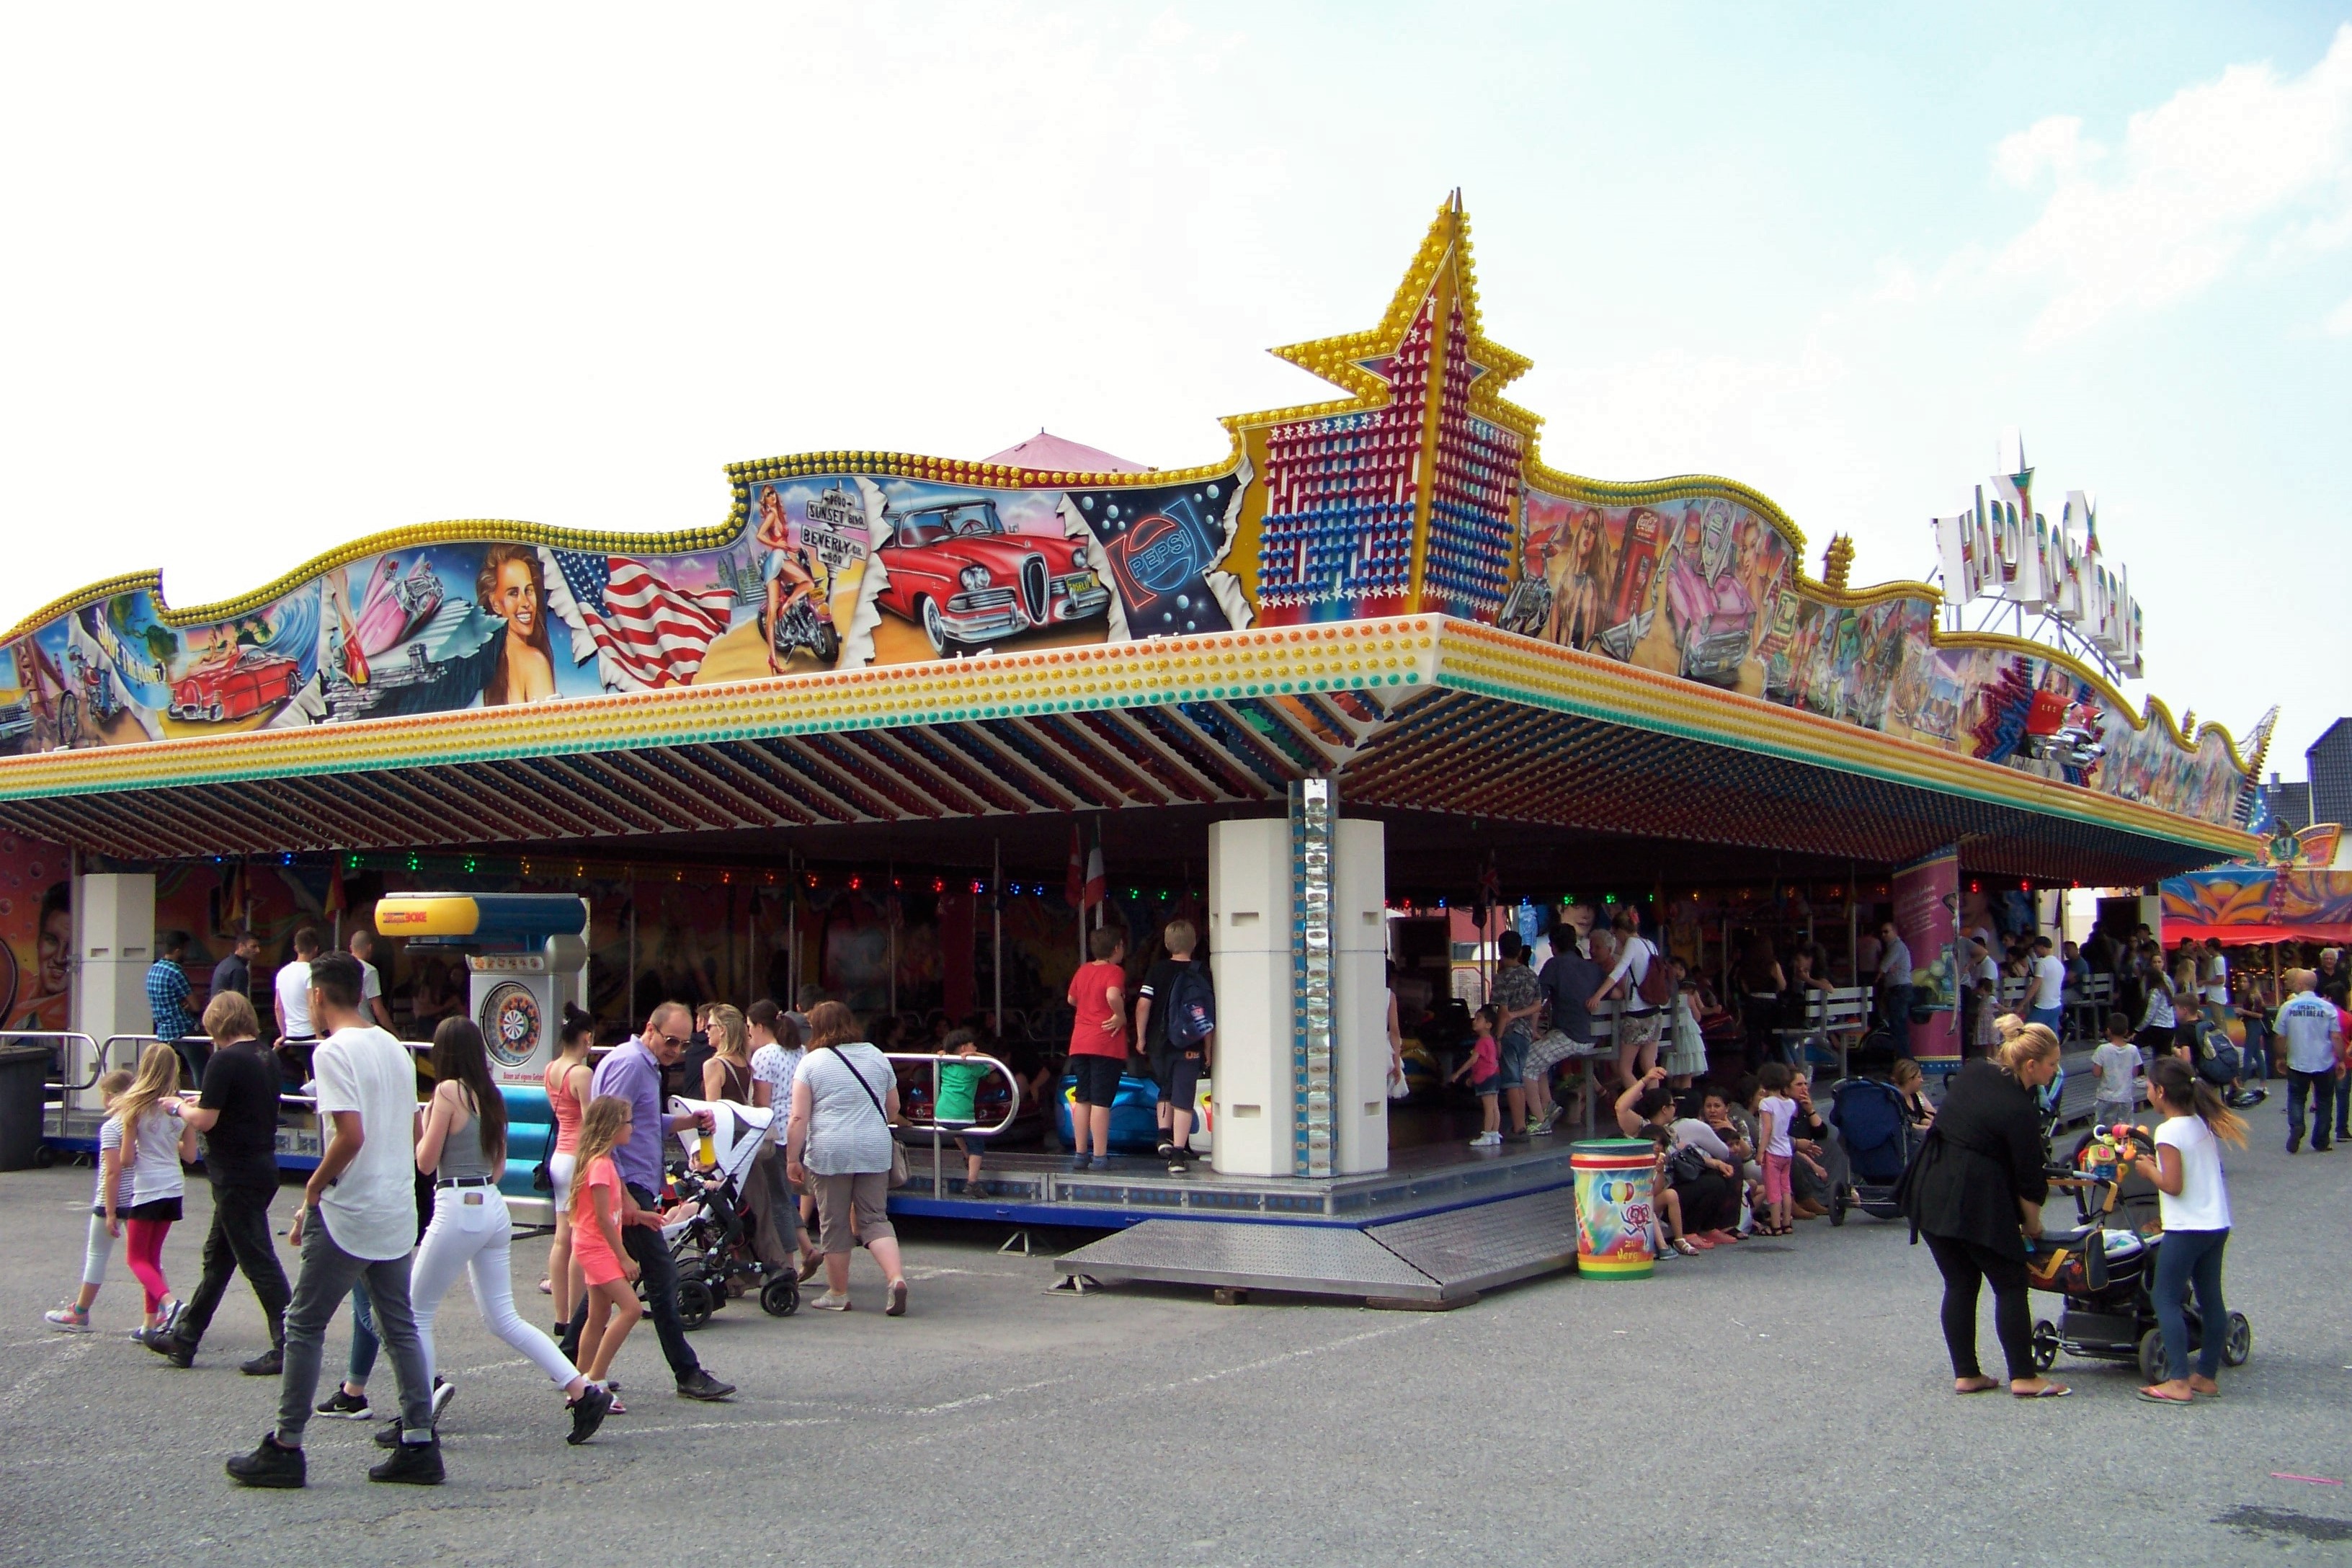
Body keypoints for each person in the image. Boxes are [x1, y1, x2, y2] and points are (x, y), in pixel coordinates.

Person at [228, 953, 444, 1488]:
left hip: (349, 1208)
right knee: (399, 1325)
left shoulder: (331, 1052)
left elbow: (349, 1136)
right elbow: (415, 1132)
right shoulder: (393, 1047)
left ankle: (287, 1445)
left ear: (318, 995)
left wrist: (315, 1186)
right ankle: (419, 1441)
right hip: (394, 1206)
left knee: (304, 1323)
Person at [406, 1018, 610, 1446]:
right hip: (492, 1205)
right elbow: (498, 1168)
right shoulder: (491, 1095)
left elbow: (425, 1162)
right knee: (504, 1318)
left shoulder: (446, 1093)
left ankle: (419, 1407)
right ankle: (580, 1389)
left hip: (456, 1202)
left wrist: (421, 1122)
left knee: (415, 1311)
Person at [554, 1003, 734, 1402]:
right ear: (650, 1029)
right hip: (627, 1186)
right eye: (671, 1041)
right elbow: (606, 1129)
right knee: (661, 1277)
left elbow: (644, 1124)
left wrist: (688, 1122)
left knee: (607, 1286)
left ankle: (570, 1361)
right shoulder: (632, 1064)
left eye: (684, 1044)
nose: (676, 1050)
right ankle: (687, 1372)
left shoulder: (644, 1063)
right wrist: (625, 1200)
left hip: (632, 1184)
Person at [1893, 1021, 2069, 1399]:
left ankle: (1967, 1373)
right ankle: (2024, 1376)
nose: (2055, 1070)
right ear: (2031, 1066)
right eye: (2052, 1064)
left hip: (1929, 1184)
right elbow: (2029, 1181)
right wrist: (2033, 1226)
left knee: (1959, 1282)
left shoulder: (1975, 1072)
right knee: (2010, 1282)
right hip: (1974, 1195)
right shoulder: (2020, 1110)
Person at [147, 992, 292, 1373]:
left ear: (217, 1023)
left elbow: (206, 1120)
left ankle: (289, 1342)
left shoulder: (224, 1060)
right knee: (219, 1257)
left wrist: (178, 1106)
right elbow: (240, 1105)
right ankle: (185, 1337)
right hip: (259, 1165)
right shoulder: (265, 1055)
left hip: (235, 1173)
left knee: (256, 1259)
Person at [2129, 1056, 2245, 1405]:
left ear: (2161, 1092)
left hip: (2187, 1227)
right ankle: (2206, 1375)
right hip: (2216, 1223)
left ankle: (2178, 1380)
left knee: (2164, 1297)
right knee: (2211, 1298)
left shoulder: (2168, 1131)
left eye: (2150, 1087)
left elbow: (2173, 1185)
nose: (2148, 1092)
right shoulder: (2200, 1122)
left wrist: (2148, 1171)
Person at [786, 1000, 912, 1316]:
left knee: (835, 1223)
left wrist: (791, 1158)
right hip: (874, 1148)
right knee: (875, 1219)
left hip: (830, 1152)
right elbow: (893, 1109)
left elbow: (799, 1117)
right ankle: (896, 1279)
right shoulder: (876, 1055)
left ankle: (838, 1293)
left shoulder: (811, 1063)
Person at [108, 1041, 199, 1347]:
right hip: (174, 1186)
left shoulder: (135, 1108)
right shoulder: (180, 1108)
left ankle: (170, 1304)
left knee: (136, 1258)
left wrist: (139, 1143)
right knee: (152, 1257)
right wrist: (169, 1143)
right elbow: (190, 1155)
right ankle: (149, 1324)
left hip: (148, 1187)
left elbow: (126, 1160)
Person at [43, 1069, 137, 1333]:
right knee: (145, 1257)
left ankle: (80, 1312)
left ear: (112, 1096)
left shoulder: (112, 1127)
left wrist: (110, 1211)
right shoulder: (140, 1124)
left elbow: (112, 1172)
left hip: (112, 1199)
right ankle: (162, 1308)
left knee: (97, 1255)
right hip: (138, 1197)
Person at [568, 1095, 644, 1396]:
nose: (632, 1128)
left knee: (598, 1315)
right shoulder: (600, 1166)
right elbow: (601, 1217)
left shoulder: (604, 1163)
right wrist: (623, 1257)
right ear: (612, 1126)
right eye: (628, 1122)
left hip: (594, 1245)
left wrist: (640, 1216)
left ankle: (580, 1379)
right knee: (632, 1309)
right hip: (596, 1247)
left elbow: (609, 1212)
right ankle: (596, 1378)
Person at [1136, 919, 1214, 1168]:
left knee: (1166, 1087)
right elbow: (1206, 1015)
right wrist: (1208, 1048)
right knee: (1184, 1095)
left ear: (1168, 944)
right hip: (1190, 1043)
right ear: (1194, 943)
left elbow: (1143, 1004)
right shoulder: (1202, 972)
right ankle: (1178, 1154)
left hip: (1160, 1043)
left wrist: (1141, 1037)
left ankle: (1163, 1136)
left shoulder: (1157, 970)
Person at [742, 999, 806, 1278]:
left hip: (775, 1133)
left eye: (749, 1027)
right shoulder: (799, 1050)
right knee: (784, 1195)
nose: (748, 1033)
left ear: (759, 1026)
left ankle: (787, 1262)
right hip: (799, 1131)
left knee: (776, 1200)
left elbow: (762, 1102)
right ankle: (807, 1248)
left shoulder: (764, 1056)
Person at [541, 1005, 594, 1333]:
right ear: (586, 1038)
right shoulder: (581, 1074)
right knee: (580, 1238)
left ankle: (561, 1316)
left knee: (562, 1238)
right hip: (578, 1158)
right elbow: (590, 1123)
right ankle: (577, 1316)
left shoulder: (551, 1070)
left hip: (559, 1157)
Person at [1064, 927, 1128, 1172]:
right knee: (1101, 1101)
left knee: (1083, 1097)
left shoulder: (1083, 970)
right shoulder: (1114, 971)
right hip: (1105, 1043)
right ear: (1116, 948)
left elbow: (1071, 999)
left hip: (1080, 1041)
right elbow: (1112, 995)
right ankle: (1100, 1156)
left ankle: (1080, 1154)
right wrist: (1119, 1015)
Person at [1590, 909, 1663, 1087]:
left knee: (1624, 1069)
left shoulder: (1632, 943)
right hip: (1655, 1012)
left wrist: (1598, 995)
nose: (1617, 939)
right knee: (1649, 1065)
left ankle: (1638, 1101)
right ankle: (1656, 1100)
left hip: (1637, 1015)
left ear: (1621, 931)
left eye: (1615, 934)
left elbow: (1618, 971)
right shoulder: (1650, 944)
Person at [2275, 969, 2343, 1154]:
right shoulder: (2327, 1007)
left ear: (2300, 985)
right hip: (2323, 1061)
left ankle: (2297, 1125)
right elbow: (2336, 1036)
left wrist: (2280, 1057)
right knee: (2325, 1101)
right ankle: (2321, 1140)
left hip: (2297, 1060)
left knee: (2296, 1097)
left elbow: (2280, 1036)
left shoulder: (2288, 1007)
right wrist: (2340, 1060)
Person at [1489, 931, 1541, 1139]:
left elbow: (1502, 1013)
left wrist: (1498, 1038)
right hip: (1526, 1033)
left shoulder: (1501, 978)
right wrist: (1528, 1025)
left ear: (1500, 951)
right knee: (1522, 1077)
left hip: (1509, 1034)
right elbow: (1537, 1006)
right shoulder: (1531, 975)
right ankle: (1525, 1122)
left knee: (1512, 1081)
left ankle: (1519, 1126)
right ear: (1520, 951)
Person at [935, 1027, 994, 1188]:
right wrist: (976, 1055)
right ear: (964, 1048)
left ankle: (966, 1156)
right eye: (973, 1045)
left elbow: (939, 1056)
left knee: (957, 1130)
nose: (975, 1048)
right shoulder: (973, 1068)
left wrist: (944, 1054)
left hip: (941, 1115)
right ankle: (972, 1183)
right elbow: (994, 1063)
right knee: (977, 1145)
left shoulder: (945, 1065)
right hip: (962, 1116)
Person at [146, 931, 200, 1084]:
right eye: (186, 950)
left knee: (165, 1074)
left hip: (163, 1032)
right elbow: (195, 1006)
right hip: (182, 1029)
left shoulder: (154, 970)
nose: (187, 954)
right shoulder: (175, 972)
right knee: (200, 1069)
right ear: (178, 951)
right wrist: (188, 1007)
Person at [1450, 1005, 1503, 1147]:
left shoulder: (1482, 1041)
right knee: (1494, 1106)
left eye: (1479, 1019)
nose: (1474, 1021)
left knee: (1488, 1108)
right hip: (1494, 1076)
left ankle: (1487, 1135)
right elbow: (1483, 1063)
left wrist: (1458, 1073)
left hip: (1486, 1078)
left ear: (1488, 1025)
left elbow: (1473, 1060)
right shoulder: (1491, 1041)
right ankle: (1495, 1133)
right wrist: (1472, 1077)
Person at [1756, 1063, 1797, 1237]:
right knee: (1786, 1188)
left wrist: (1760, 1152)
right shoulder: (1790, 1104)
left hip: (1772, 1152)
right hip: (1786, 1150)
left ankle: (1776, 1225)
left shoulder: (1766, 1103)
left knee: (1773, 1190)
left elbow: (1767, 1128)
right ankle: (1787, 1222)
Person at [2089, 1012, 2142, 1131]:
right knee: (2125, 1130)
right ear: (2126, 1031)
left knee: (2103, 1130)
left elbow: (2096, 1073)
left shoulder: (2102, 1049)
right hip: (2125, 1097)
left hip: (2106, 1097)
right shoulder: (2133, 1050)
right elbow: (2135, 1072)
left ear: (2108, 1031)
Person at [701, 1003, 753, 1104]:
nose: (706, 1031)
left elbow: (713, 1108)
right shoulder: (746, 1062)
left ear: (722, 1030)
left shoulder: (714, 1065)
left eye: (709, 1026)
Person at [349, 930, 396, 1034]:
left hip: (345, 1027)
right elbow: (378, 1010)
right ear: (370, 948)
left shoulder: (340, 968)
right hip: (365, 1027)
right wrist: (395, 1034)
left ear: (351, 948)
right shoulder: (369, 971)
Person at [1876, 920, 1914, 1037]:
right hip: (1898, 988)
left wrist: (1877, 979)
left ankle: (1903, 1049)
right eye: (1882, 933)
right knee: (1896, 1023)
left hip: (1899, 989)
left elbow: (1883, 967)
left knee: (1898, 1024)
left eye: (1886, 932)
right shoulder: (1892, 947)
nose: (1883, 935)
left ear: (1895, 932)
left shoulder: (1896, 946)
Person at [210, 931, 259, 1011]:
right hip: (228, 1014)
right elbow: (239, 1004)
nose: (258, 950)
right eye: (253, 947)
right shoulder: (238, 969)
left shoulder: (225, 964)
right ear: (241, 947)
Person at [2026, 936, 2066, 1036]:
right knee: (2051, 1035)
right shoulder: (2059, 965)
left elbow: (2035, 986)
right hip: (2056, 1005)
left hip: (2043, 1006)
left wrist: (2022, 1003)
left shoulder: (2042, 964)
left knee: (2028, 1032)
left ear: (2041, 947)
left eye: (2035, 948)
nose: (2035, 951)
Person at [1891, 1058, 1936, 1130]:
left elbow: (1921, 1116)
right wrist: (1926, 1129)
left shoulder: (1913, 1095)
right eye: (1919, 1077)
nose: (1922, 1080)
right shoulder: (1895, 1099)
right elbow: (1904, 1124)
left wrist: (1927, 1122)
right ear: (1909, 1079)